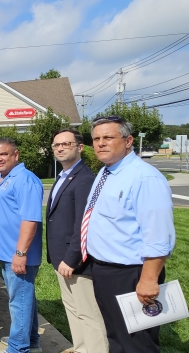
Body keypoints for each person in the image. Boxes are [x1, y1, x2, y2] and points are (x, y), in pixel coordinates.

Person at [85, 116, 174, 352]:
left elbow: (158, 234)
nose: (101, 143)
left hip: (131, 274)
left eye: (108, 137)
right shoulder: (106, 173)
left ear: (128, 141)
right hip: (105, 271)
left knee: (137, 343)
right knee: (117, 337)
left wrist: (149, 279)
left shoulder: (145, 177)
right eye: (96, 139)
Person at [46, 128, 107, 353]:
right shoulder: (64, 176)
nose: (60, 148)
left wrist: (72, 259)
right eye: (56, 145)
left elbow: (84, 223)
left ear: (80, 147)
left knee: (88, 314)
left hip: (77, 263)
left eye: (66, 144)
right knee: (72, 309)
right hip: (61, 259)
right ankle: (81, 348)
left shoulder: (84, 179)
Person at [0, 138, 43, 353]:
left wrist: (20, 253)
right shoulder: (3, 177)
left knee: (20, 303)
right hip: (5, 252)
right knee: (24, 300)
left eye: (4, 154)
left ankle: (18, 348)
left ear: (15, 155)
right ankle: (31, 342)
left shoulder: (25, 180)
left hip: (17, 254)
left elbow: (30, 219)